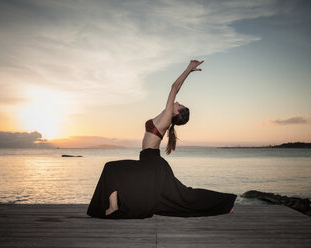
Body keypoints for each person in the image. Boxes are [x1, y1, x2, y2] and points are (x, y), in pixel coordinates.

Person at [87, 60, 237, 219]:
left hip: (152, 164)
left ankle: (225, 203)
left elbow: (174, 87)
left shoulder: (166, 118)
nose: (177, 102)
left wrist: (188, 69)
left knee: (113, 169)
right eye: (178, 102)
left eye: (178, 105)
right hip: (149, 162)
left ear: (176, 113)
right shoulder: (165, 116)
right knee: (182, 194)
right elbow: (175, 91)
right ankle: (114, 206)